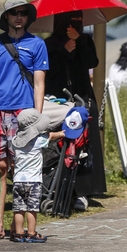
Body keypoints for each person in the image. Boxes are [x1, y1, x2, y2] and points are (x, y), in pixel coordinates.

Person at [0, 0, 48, 241]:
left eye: (23, 13)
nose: (19, 17)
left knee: (23, 169)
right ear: (6, 17)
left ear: (28, 17)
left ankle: (20, 227)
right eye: (14, 13)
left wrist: (37, 120)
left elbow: (39, 84)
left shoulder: (37, 44)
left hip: (24, 114)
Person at [43, 11, 107, 198]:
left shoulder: (85, 40)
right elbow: (49, 70)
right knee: (63, 144)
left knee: (87, 144)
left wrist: (79, 42)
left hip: (83, 97)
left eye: (79, 20)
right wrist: (63, 51)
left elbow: (91, 62)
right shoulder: (49, 44)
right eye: (71, 21)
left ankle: (87, 188)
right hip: (58, 101)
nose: (76, 24)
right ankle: (59, 187)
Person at [11, 109, 63, 243]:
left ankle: (18, 233)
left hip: (18, 181)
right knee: (32, 209)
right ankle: (31, 233)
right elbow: (51, 136)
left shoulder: (15, 141)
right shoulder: (39, 140)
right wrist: (62, 133)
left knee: (19, 209)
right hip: (33, 181)